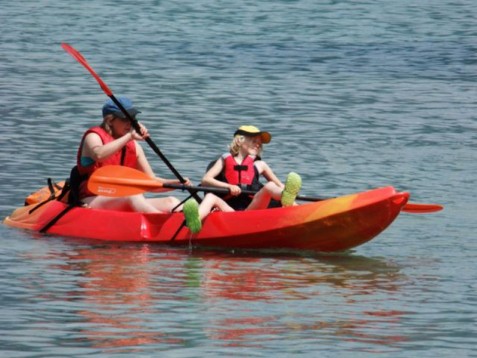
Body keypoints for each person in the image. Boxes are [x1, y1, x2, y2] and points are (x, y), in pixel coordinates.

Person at [76, 96, 189, 213]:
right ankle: (163, 223)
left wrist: (177, 183)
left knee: (172, 201)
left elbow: (150, 182)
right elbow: (98, 155)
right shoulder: (93, 137)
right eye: (125, 119)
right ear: (110, 121)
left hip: (121, 198)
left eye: (133, 118)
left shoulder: (134, 147)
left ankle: (188, 224)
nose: (130, 123)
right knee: (133, 195)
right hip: (92, 199)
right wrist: (129, 136)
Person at [182, 125, 301, 233]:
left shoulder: (260, 165)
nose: (258, 145)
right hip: (229, 212)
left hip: (251, 210)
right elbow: (206, 180)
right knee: (210, 197)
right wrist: (229, 186)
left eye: (259, 143)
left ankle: (298, 212)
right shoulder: (224, 159)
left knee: (270, 186)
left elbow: (280, 186)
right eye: (254, 141)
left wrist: (296, 202)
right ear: (240, 140)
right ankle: (195, 222)